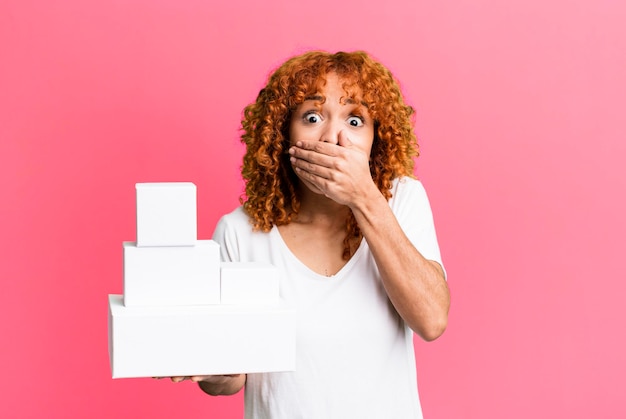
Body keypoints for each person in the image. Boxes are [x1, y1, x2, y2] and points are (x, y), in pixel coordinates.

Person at [173, 50, 450, 419]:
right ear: (282, 134)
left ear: (376, 139)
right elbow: (229, 379)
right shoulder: (240, 232)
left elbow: (432, 321)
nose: (334, 139)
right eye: (313, 117)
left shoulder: (400, 201)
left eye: (355, 120)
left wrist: (364, 199)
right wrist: (213, 369)